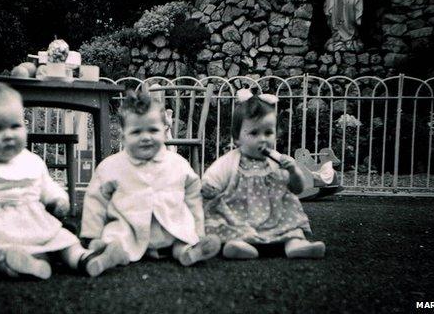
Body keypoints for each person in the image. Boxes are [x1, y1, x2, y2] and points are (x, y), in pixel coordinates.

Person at [0, 78, 128, 279]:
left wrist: (58, 200)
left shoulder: (31, 161)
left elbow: (47, 186)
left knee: (62, 237)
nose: (8, 135)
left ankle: (85, 259)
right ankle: (12, 265)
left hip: (30, 219)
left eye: (15, 126)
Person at [80, 90, 220, 266]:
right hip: (129, 227)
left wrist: (198, 231)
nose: (146, 137)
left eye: (153, 130)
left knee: (183, 238)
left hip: (170, 227)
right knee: (116, 239)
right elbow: (96, 200)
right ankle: (111, 255)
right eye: (136, 132)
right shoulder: (111, 166)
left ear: (164, 131)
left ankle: (189, 253)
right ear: (124, 137)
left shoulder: (177, 164)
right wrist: (91, 233)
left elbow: (193, 197)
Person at [201, 89, 325, 259]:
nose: (263, 139)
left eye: (268, 133)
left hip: (275, 214)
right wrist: (209, 186)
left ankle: (295, 244)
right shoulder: (231, 160)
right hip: (240, 214)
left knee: (292, 221)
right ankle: (239, 245)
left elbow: (297, 189)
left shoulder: (279, 161)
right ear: (237, 138)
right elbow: (214, 177)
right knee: (225, 222)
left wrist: (293, 171)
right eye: (254, 133)